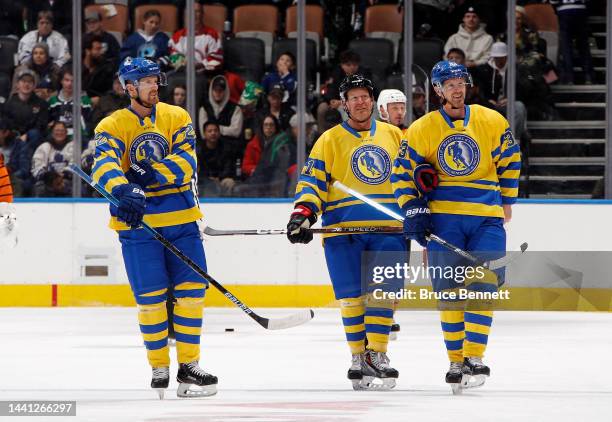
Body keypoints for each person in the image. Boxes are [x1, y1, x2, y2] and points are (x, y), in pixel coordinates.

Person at [90, 57, 217, 398]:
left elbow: (188, 161)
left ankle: (189, 366)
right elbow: (104, 165)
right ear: (129, 87)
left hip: (182, 221)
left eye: (154, 80)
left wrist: (147, 175)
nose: (154, 86)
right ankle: (159, 366)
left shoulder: (177, 117)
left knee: (191, 295)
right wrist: (124, 190)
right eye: (146, 81)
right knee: (150, 300)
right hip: (139, 229)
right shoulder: (112, 125)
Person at [391, 60, 520, 394]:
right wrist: (414, 207)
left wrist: (508, 201)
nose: (457, 88)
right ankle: (454, 359)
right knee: (448, 292)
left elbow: (510, 160)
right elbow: (402, 174)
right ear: (437, 90)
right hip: (443, 221)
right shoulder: (422, 128)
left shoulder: (492, 120)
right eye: (449, 84)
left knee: (484, 283)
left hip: (485, 218)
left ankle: (474, 356)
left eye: (461, 82)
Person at [286, 74, 403, 390]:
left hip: (389, 230)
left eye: (365, 96)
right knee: (351, 298)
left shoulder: (395, 136)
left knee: (383, 294)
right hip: (342, 231)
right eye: (354, 97)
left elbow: (413, 179)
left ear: (372, 100)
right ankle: (357, 357)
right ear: (344, 104)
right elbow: (312, 183)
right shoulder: (329, 140)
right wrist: (304, 214)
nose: (360, 101)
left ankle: (376, 355)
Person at [168, 2, 223, 73]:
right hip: (183, 74)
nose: (194, 15)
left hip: (205, 74)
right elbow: (173, 57)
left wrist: (200, 65)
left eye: (197, 12)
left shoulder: (212, 35)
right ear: (186, 14)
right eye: (191, 11)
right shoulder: (177, 36)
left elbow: (216, 59)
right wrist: (184, 66)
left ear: (202, 14)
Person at [550, 0, 593, 84]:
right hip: (580, 9)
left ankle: (569, 78)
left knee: (566, 47)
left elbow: (553, 2)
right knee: (583, 45)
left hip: (564, 10)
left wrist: (557, 10)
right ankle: (588, 76)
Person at [31, 121, 72, 197]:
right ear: (52, 132)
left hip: (67, 180)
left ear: (66, 132)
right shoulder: (44, 147)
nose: (59, 133)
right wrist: (49, 176)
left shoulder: (73, 146)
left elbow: (76, 165)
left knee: (77, 188)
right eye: (57, 130)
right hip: (47, 182)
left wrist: (64, 175)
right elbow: (36, 167)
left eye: (62, 130)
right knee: (39, 187)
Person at [48, 68, 93, 138]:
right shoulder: (53, 101)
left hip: (78, 138)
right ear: (61, 81)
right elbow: (49, 124)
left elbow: (88, 124)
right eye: (66, 80)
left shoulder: (84, 100)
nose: (69, 84)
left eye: (73, 81)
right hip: (58, 137)